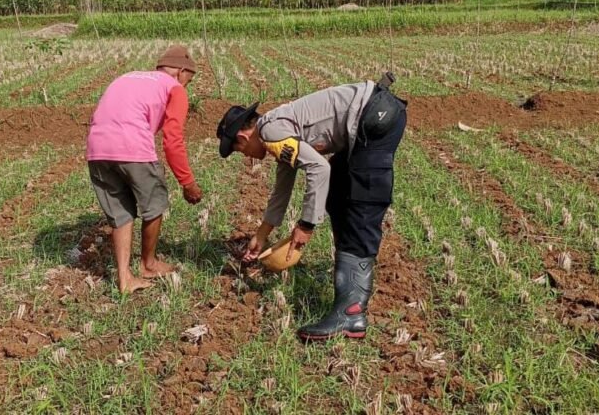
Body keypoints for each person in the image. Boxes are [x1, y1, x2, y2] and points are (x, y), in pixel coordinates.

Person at [216, 74, 406, 340]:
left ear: (242, 137)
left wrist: (306, 226)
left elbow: (319, 167)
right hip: (372, 113)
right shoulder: (275, 131)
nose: (245, 156)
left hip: (374, 117)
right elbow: (282, 188)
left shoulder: (270, 133)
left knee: (360, 204)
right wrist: (262, 234)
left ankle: (351, 314)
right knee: (339, 194)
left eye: (238, 150)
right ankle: (347, 286)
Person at [87, 45, 203, 294]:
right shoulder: (174, 88)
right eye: (188, 81)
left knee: (120, 214)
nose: (187, 86)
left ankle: (124, 279)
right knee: (154, 205)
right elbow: (172, 139)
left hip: (96, 149)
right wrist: (188, 183)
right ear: (181, 72)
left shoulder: (127, 77)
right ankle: (148, 264)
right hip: (133, 148)